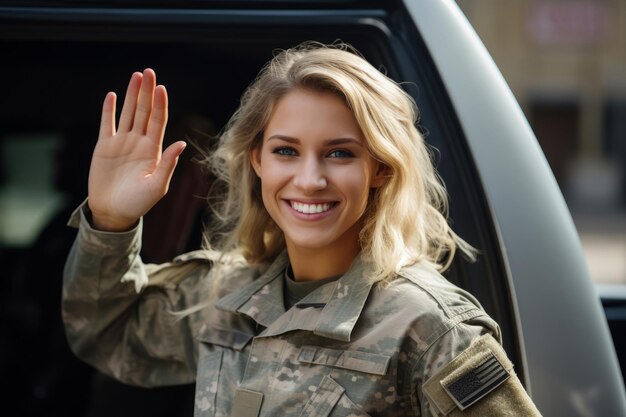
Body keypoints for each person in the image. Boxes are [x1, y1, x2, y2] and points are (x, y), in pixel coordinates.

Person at [62, 41, 543, 416]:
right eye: (286, 151)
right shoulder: (228, 295)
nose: (310, 180)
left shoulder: (431, 328)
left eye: (340, 153)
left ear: (379, 168)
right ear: (258, 161)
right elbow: (105, 333)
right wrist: (112, 221)